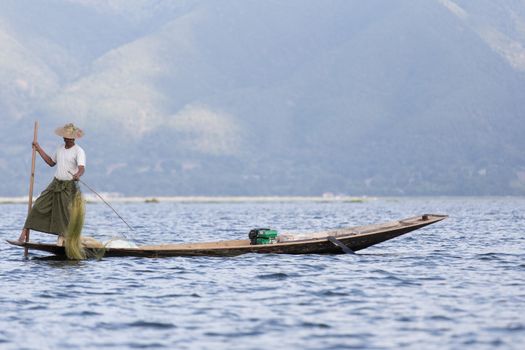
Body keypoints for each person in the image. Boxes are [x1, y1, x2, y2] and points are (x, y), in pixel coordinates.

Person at [18, 123, 86, 244]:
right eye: (65, 137)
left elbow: (81, 168)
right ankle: (24, 233)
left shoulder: (79, 151)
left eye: (70, 137)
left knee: (65, 213)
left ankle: (65, 240)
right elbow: (51, 162)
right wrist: (38, 149)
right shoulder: (60, 149)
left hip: (68, 186)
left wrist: (77, 175)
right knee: (38, 204)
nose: (67, 139)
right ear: (63, 137)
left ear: (74, 138)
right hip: (55, 183)